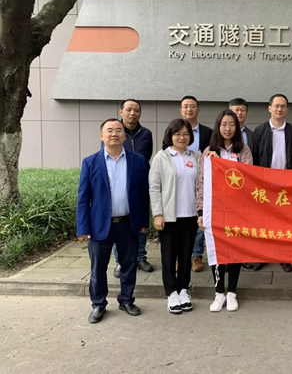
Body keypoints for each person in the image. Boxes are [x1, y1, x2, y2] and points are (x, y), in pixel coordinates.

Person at [77, 118, 150, 324]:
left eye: (119, 130)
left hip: (128, 223)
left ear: (124, 136)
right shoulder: (90, 162)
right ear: (102, 136)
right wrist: (82, 227)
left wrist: (143, 222)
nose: (114, 134)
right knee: (98, 268)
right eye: (109, 130)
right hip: (99, 225)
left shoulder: (137, 161)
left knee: (129, 265)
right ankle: (98, 304)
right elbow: (83, 197)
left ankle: (126, 300)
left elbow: (143, 195)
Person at [196, 110, 253, 312]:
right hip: (214, 210)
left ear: (237, 127)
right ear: (217, 127)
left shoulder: (244, 150)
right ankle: (219, 292)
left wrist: (221, 164)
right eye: (223, 124)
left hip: (237, 210)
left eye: (232, 124)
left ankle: (232, 292)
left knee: (235, 250)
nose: (227, 129)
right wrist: (200, 211)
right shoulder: (208, 151)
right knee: (216, 249)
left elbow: (247, 178)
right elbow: (202, 182)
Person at [149, 119, 200, 314]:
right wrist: (158, 214)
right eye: (177, 134)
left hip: (190, 215)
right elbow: (154, 188)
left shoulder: (196, 156)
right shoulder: (161, 157)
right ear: (170, 136)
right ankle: (171, 292)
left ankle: (184, 289)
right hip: (169, 217)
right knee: (169, 256)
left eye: (185, 134)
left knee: (186, 256)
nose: (181, 137)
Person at [250, 94, 292, 272]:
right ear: (269, 108)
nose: (279, 109)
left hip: (286, 185)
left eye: (283, 106)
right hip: (265, 184)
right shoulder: (259, 131)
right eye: (276, 106)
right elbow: (254, 158)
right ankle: (262, 255)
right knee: (264, 222)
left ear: (287, 110)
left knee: (284, 222)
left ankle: (283, 256)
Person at [112, 99, 154, 279]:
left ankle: (140, 257)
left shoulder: (146, 134)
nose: (132, 113)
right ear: (121, 112)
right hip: (119, 183)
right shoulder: (114, 131)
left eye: (136, 110)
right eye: (128, 109)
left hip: (140, 182)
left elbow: (146, 157)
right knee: (119, 222)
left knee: (140, 220)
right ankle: (120, 261)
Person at [180, 96, 213, 273]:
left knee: (199, 215)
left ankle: (196, 255)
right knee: (180, 218)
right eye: (185, 106)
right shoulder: (174, 129)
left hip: (201, 179)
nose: (189, 109)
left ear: (198, 110)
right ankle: (180, 256)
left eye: (192, 106)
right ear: (181, 110)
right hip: (180, 180)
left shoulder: (208, 132)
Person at [229, 98, 256, 270]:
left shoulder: (253, 135)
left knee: (246, 223)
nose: (239, 113)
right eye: (236, 110)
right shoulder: (220, 134)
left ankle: (245, 255)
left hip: (248, 188)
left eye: (242, 110)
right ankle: (228, 256)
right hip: (226, 188)